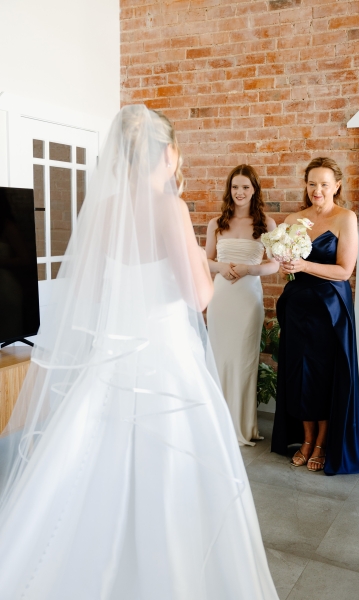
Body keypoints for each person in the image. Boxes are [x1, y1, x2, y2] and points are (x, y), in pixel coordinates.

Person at [0, 106, 279, 599]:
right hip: (166, 361)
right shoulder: (169, 207)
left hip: (111, 360)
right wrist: (201, 264)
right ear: (168, 152)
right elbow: (198, 297)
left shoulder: (105, 208)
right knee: (171, 474)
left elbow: (90, 294)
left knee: (89, 466)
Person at [271, 156, 359, 476]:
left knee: (324, 376)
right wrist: (286, 266)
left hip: (330, 310)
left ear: (336, 186)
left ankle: (323, 443)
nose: (318, 190)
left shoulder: (345, 218)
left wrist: (304, 265)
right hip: (297, 307)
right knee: (298, 374)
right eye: (312, 183)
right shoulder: (294, 218)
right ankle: (307, 438)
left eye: (324, 184)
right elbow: (288, 267)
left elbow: (344, 271)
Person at [206, 165, 279, 447]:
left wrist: (251, 269)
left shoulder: (266, 224)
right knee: (219, 358)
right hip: (221, 298)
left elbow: (274, 264)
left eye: (245, 187)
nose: (240, 192)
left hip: (248, 299)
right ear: (229, 189)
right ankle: (216, 423)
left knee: (243, 361)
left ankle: (241, 425)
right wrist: (221, 266)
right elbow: (206, 260)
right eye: (235, 186)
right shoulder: (216, 223)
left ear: (254, 190)